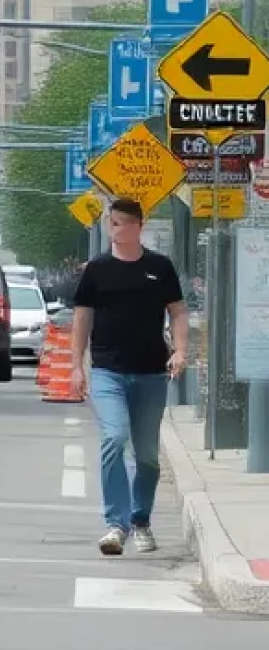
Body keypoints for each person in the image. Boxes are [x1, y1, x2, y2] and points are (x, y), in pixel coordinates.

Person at [70, 197, 188, 557]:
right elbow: (81, 318)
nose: (116, 230)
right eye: (112, 223)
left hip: (152, 372)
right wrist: (77, 365)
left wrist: (181, 350)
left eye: (122, 223)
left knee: (148, 456)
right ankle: (115, 525)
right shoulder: (98, 269)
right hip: (108, 371)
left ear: (139, 225)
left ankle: (141, 521)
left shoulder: (159, 267)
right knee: (114, 437)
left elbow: (179, 312)